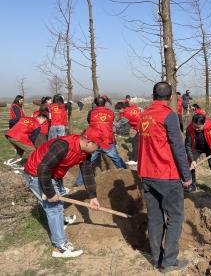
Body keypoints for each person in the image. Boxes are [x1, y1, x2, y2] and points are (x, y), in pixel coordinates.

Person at [23, 126, 106, 258]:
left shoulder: (85, 152)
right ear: (88, 142)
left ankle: (60, 221)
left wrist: (92, 196)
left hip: (53, 173)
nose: (99, 149)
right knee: (53, 208)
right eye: (98, 146)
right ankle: (59, 247)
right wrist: (50, 194)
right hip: (36, 173)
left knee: (59, 199)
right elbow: (43, 169)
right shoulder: (63, 146)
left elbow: (87, 172)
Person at [138, 82, 192, 272]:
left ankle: (156, 258)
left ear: (153, 95)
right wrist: (186, 175)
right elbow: (178, 147)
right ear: (170, 97)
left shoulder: (143, 115)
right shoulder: (169, 115)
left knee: (154, 218)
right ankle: (168, 262)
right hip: (166, 174)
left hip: (147, 174)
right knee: (175, 217)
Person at [74, 96, 126, 186]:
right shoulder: (110, 112)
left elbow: (89, 121)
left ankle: (79, 183)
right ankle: (126, 173)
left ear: (95, 103)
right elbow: (111, 121)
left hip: (94, 142)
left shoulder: (91, 112)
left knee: (88, 162)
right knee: (117, 159)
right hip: (107, 141)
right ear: (105, 103)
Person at [185, 114, 211, 198]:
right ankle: (192, 185)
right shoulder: (189, 128)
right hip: (196, 148)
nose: (196, 129)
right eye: (194, 126)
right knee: (191, 165)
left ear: (204, 124)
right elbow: (188, 145)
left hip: (210, 147)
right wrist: (192, 160)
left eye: (198, 127)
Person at [115, 101, 141, 165]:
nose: (118, 112)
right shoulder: (133, 107)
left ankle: (134, 160)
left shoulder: (126, 114)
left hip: (141, 127)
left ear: (121, 108)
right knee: (139, 142)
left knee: (135, 142)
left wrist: (112, 123)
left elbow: (119, 124)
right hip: (146, 124)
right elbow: (141, 110)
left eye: (118, 110)